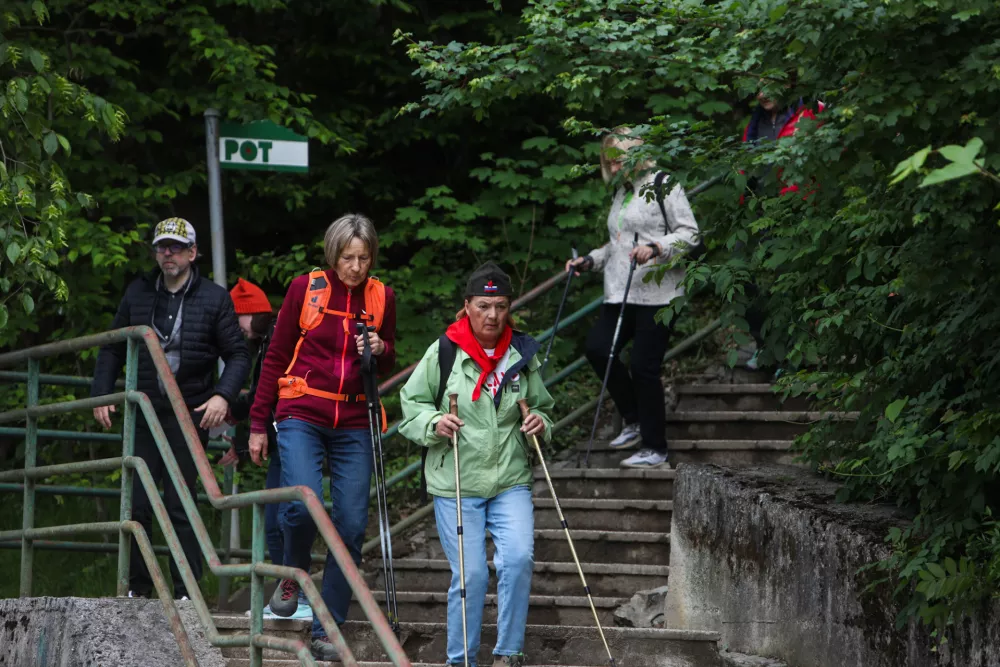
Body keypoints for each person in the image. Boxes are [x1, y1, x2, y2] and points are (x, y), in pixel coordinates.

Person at [248, 213, 396, 661]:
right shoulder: (304, 288)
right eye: (348, 257)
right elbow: (274, 356)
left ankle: (330, 626)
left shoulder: (382, 296)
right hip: (301, 410)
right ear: (333, 254)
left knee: (350, 525)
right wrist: (257, 424)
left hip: (353, 418)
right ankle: (293, 574)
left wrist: (381, 350)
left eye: (363, 258)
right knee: (301, 503)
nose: (356, 267)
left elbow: (387, 363)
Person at [399, 261, 554, 667]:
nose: (492, 315)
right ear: (467, 306)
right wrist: (435, 422)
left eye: (501, 305)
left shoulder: (522, 353)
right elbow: (410, 406)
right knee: (471, 577)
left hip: (510, 479)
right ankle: (461, 660)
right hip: (457, 481)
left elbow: (541, 408)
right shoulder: (445, 350)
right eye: (484, 305)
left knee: (518, 559)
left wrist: (541, 423)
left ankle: (507, 654)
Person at [91, 217, 251, 599]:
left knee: (181, 501)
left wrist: (223, 395)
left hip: (190, 413)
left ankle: (186, 593)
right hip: (144, 411)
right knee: (138, 503)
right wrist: (102, 393)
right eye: (162, 246)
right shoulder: (138, 292)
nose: (168, 253)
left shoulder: (214, 297)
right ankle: (138, 590)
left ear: (193, 253)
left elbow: (238, 354)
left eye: (176, 247)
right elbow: (113, 345)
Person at [566, 127, 699, 469]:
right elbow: (618, 244)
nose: (612, 168)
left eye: (617, 160)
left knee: (643, 366)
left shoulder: (663, 183)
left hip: (660, 292)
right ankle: (634, 418)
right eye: (608, 162)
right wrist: (590, 260)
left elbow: (689, 234)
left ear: (636, 154)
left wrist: (656, 248)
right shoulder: (624, 192)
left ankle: (656, 448)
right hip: (620, 292)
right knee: (598, 349)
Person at [218, 278, 313, 620]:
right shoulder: (268, 339)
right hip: (279, 442)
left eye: (237, 319)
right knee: (276, 523)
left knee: (284, 520)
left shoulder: (278, 337)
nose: (236, 329)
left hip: (290, 439)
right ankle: (286, 599)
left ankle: (295, 598)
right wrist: (239, 417)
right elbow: (262, 396)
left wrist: (242, 431)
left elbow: (268, 394)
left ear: (250, 314)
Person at [740, 89, 824, 369]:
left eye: (769, 86)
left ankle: (794, 356)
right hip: (759, 214)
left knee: (790, 285)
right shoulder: (754, 125)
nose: (762, 94)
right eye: (757, 89)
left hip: (797, 212)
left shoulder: (809, 114)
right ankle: (765, 347)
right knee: (743, 276)